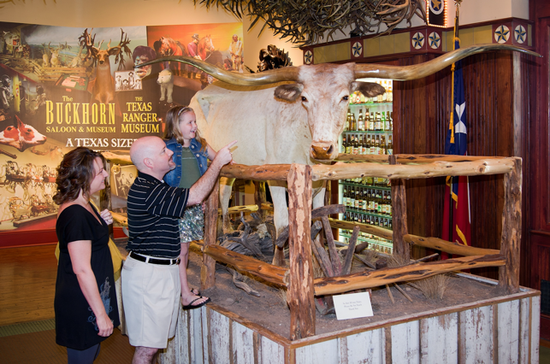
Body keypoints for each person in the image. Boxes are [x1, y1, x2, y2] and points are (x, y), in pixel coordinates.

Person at [122, 135, 236, 364]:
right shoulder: (148, 190)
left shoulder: (156, 186)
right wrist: (218, 162)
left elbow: (185, 202)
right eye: (163, 151)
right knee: (147, 349)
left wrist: (189, 203)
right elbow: (194, 195)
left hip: (161, 271)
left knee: (153, 346)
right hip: (150, 276)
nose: (171, 152)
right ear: (149, 163)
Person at [53, 147, 119, 364]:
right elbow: (81, 269)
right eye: (100, 171)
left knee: (91, 354)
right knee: (82, 357)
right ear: (83, 177)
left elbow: (84, 237)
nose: (106, 175)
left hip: (91, 298)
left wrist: (99, 221)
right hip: (82, 303)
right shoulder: (76, 214)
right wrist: (100, 314)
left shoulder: (84, 204)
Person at [163, 105, 216, 309]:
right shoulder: (166, 148)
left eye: (195, 122)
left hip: (193, 206)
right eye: (190, 122)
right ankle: (184, 293)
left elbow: (217, 158)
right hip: (177, 205)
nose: (195, 126)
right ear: (177, 125)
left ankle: (180, 287)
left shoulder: (200, 145)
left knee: (184, 250)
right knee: (180, 250)